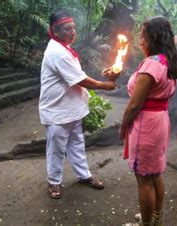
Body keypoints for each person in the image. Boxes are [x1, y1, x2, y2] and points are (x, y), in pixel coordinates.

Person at [39, 10, 119, 199]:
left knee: (77, 144)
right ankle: (54, 182)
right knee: (56, 148)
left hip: (72, 108)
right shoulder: (57, 52)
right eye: (68, 29)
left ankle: (84, 175)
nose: (73, 32)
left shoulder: (64, 47)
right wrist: (104, 86)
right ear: (55, 31)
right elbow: (79, 80)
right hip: (57, 110)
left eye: (74, 28)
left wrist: (105, 73)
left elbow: (76, 74)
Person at [119, 16, 177, 225]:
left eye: (142, 36)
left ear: (153, 37)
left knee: (144, 178)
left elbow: (135, 104)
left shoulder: (151, 65)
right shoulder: (168, 59)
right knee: (155, 172)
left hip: (146, 123)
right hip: (160, 120)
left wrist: (123, 124)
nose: (140, 41)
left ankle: (146, 224)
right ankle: (155, 218)